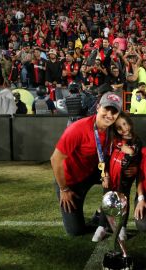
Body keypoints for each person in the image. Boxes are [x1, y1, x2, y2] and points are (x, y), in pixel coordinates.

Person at [50, 92, 122, 236]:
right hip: (70, 181)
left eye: (114, 111)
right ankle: (96, 216)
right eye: (106, 109)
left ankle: (103, 214)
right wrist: (64, 189)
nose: (109, 114)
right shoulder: (78, 128)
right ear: (98, 107)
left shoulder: (113, 129)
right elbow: (55, 159)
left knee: (118, 173)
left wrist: (107, 172)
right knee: (75, 231)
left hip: (91, 172)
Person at [92, 112, 142, 242]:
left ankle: (122, 227)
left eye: (125, 124)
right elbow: (105, 159)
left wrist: (131, 154)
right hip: (110, 176)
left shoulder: (137, 141)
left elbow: (138, 161)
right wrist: (105, 175)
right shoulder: (113, 141)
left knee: (123, 201)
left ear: (129, 122)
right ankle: (102, 227)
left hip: (125, 179)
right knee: (106, 200)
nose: (124, 129)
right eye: (119, 127)